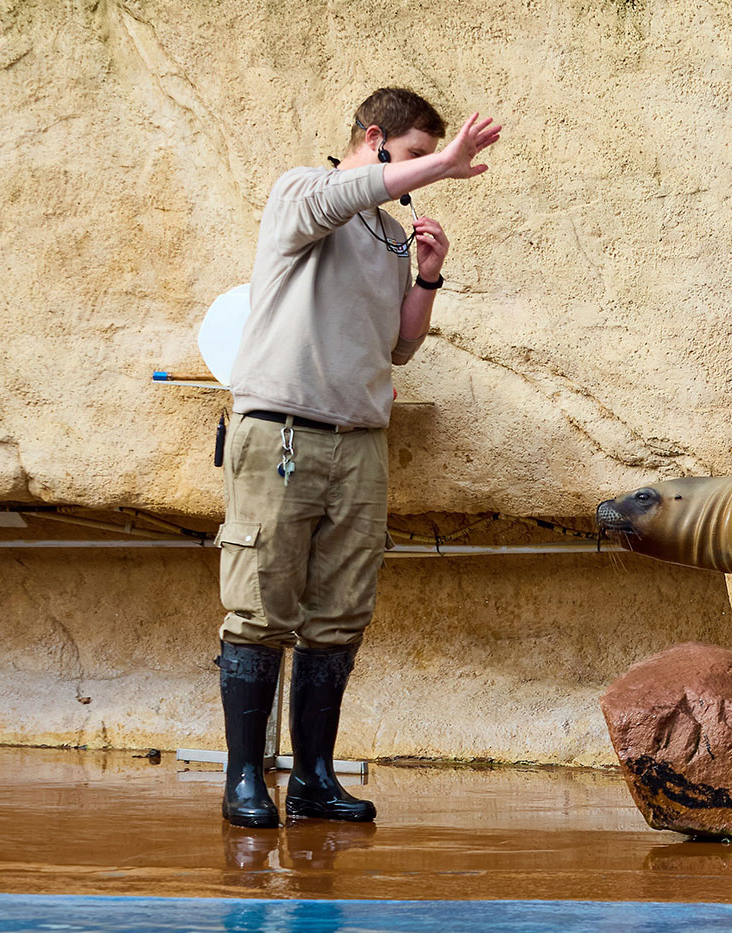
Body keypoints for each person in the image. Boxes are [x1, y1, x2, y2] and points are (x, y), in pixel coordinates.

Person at [214, 88, 500, 828]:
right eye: (410, 156)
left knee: (339, 614)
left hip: (360, 443)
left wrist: (428, 276)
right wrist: (443, 164)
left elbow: (399, 346)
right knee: (259, 607)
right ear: (373, 139)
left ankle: (311, 777)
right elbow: (344, 195)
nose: (420, 178)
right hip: (280, 432)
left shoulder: (387, 236)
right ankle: (246, 778)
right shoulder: (301, 192)